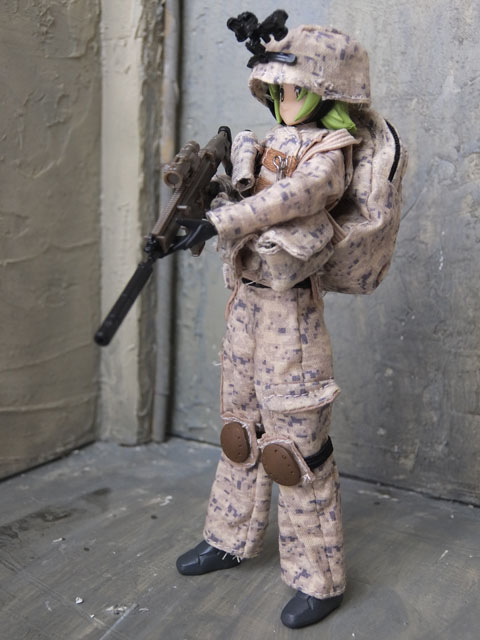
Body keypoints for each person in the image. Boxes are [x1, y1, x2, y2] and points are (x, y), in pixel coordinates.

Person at [175, 13, 391, 629]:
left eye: (298, 89)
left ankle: (318, 578)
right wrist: (211, 198)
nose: (286, 99)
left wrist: (221, 222)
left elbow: (299, 196)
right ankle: (228, 537)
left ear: (330, 92)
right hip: (245, 304)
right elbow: (251, 195)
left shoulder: (331, 151)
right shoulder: (268, 142)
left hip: (290, 312)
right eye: (278, 88)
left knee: (292, 449)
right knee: (239, 429)